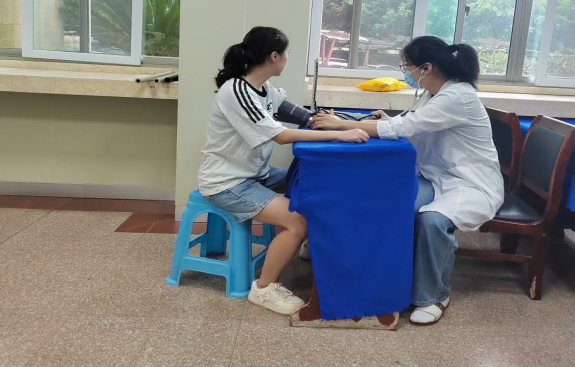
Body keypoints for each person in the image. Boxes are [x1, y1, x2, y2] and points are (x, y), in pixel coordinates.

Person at [311, 36, 504, 325]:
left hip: (470, 183)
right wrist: (385, 120)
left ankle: (434, 295)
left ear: (427, 68)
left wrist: (341, 125)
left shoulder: (457, 96)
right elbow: (413, 123)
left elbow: (406, 127)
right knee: (397, 210)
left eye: (408, 66)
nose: (407, 73)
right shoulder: (434, 93)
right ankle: (389, 280)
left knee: (432, 220)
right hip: (436, 178)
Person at [198, 26, 369, 316]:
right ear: (274, 56)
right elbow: (279, 135)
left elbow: (291, 111)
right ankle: (263, 288)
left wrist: (322, 120)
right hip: (228, 183)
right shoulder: (237, 91)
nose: (288, 58)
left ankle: (305, 244)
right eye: (286, 53)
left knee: (311, 184)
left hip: (255, 174)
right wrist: (340, 134)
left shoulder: (263, 88)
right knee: (298, 221)